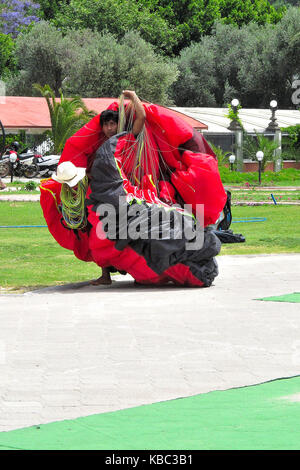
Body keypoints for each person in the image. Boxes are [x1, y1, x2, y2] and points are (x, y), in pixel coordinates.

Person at [53, 90, 146, 286]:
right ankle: (105, 275)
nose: (110, 128)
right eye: (106, 124)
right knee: (97, 235)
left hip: (124, 194)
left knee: (130, 233)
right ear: (102, 126)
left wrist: (132, 96)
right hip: (98, 197)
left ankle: (139, 268)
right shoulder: (97, 146)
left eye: (113, 123)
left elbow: (142, 117)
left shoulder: (127, 139)